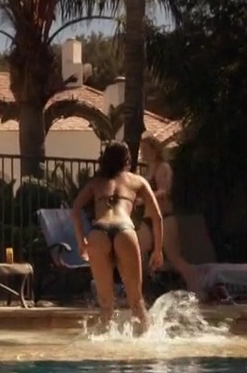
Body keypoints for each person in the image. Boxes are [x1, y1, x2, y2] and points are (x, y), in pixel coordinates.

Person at [72, 141, 164, 334]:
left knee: (105, 303)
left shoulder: (95, 183)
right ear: (127, 161)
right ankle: (146, 341)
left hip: (98, 232)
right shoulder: (137, 181)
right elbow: (157, 217)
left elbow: (75, 209)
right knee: (136, 301)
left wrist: (81, 241)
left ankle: (105, 345)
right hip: (125, 230)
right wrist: (157, 251)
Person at [136, 134, 203, 296]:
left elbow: (164, 191)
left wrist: (144, 199)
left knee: (175, 258)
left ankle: (198, 289)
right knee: (136, 250)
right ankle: (139, 292)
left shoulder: (163, 167)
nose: (143, 152)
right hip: (149, 219)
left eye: (146, 149)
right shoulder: (148, 169)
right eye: (142, 149)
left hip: (165, 217)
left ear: (154, 150)